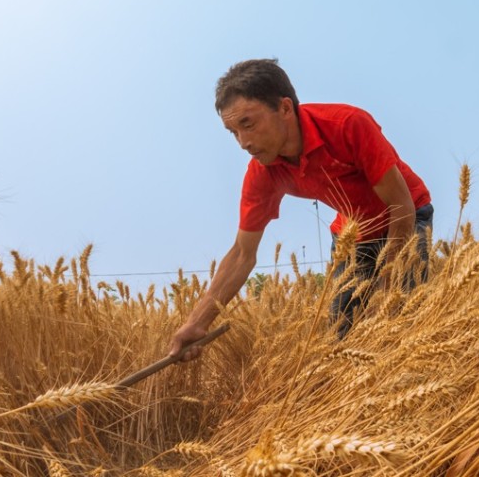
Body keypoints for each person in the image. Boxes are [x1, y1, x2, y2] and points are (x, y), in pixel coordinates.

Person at [168, 59, 432, 360]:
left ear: (284, 108)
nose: (242, 142)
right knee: (342, 338)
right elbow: (243, 252)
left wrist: (388, 287)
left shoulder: (348, 125)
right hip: (353, 234)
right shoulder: (262, 172)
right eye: (233, 132)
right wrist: (196, 323)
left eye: (247, 124)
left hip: (407, 212)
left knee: (402, 318)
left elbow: (400, 206)